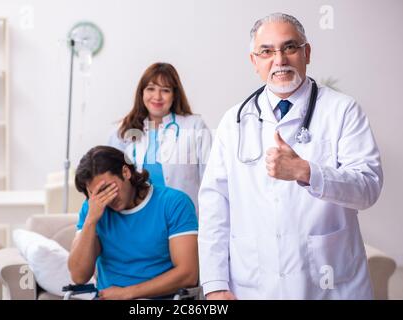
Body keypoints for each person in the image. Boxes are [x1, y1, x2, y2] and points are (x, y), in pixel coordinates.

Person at [198, 13, 383, 299]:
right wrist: (214, 284)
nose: (279, 59)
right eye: (267, 51)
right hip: (254, 285)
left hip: (331, 284)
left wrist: (307, 172)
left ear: (306, 53)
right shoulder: (234, 120)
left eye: (290, 47)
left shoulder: (342, 110)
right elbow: (215, 205)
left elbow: (367, 188)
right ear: (254, 61)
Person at [68, 146, 198, 299]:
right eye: (96, 193)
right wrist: (90, 221)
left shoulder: (174, 203)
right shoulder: (93, 209)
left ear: (126, 172)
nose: (107, 198)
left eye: (108, 188)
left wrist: (127, 293)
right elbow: (78, 276)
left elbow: (189, 274)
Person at [108, 62, 212, 210]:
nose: (157, 97)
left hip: (182, 215)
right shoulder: (123, 130)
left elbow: (211, 179)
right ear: (142, 92)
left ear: (174, 95)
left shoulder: (194, 126)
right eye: (151, 89)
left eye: (165, 90)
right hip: (139, 216)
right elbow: (111, 176)